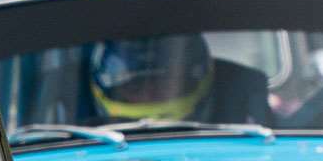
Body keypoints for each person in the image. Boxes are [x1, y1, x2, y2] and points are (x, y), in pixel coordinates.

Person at [84, 34, 270, 127]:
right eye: (136, 87)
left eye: (163, 84)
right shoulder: (78, 146)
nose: (150, 95)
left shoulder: (253, 136)